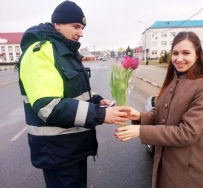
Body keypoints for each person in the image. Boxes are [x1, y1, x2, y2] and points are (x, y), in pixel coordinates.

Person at [18, 1, 130, 188]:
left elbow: (72, 91)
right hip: (58, 153)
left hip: (72, 149)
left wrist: (96, 101)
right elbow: (48, 107)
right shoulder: (41, 52)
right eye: (76, 26)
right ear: (57, 24)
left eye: (83, 27)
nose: (81, 32)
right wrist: (100, 114)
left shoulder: (63, 51)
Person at [115, 31, 203, 188]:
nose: (179, 58)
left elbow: (187, 133)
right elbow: (159, 114)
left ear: (197, 55)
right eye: (175, 53)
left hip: (185, 174)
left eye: (186, 53)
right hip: (163, 164)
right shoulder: (173, 80)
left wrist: (140, 131)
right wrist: (139, 116)